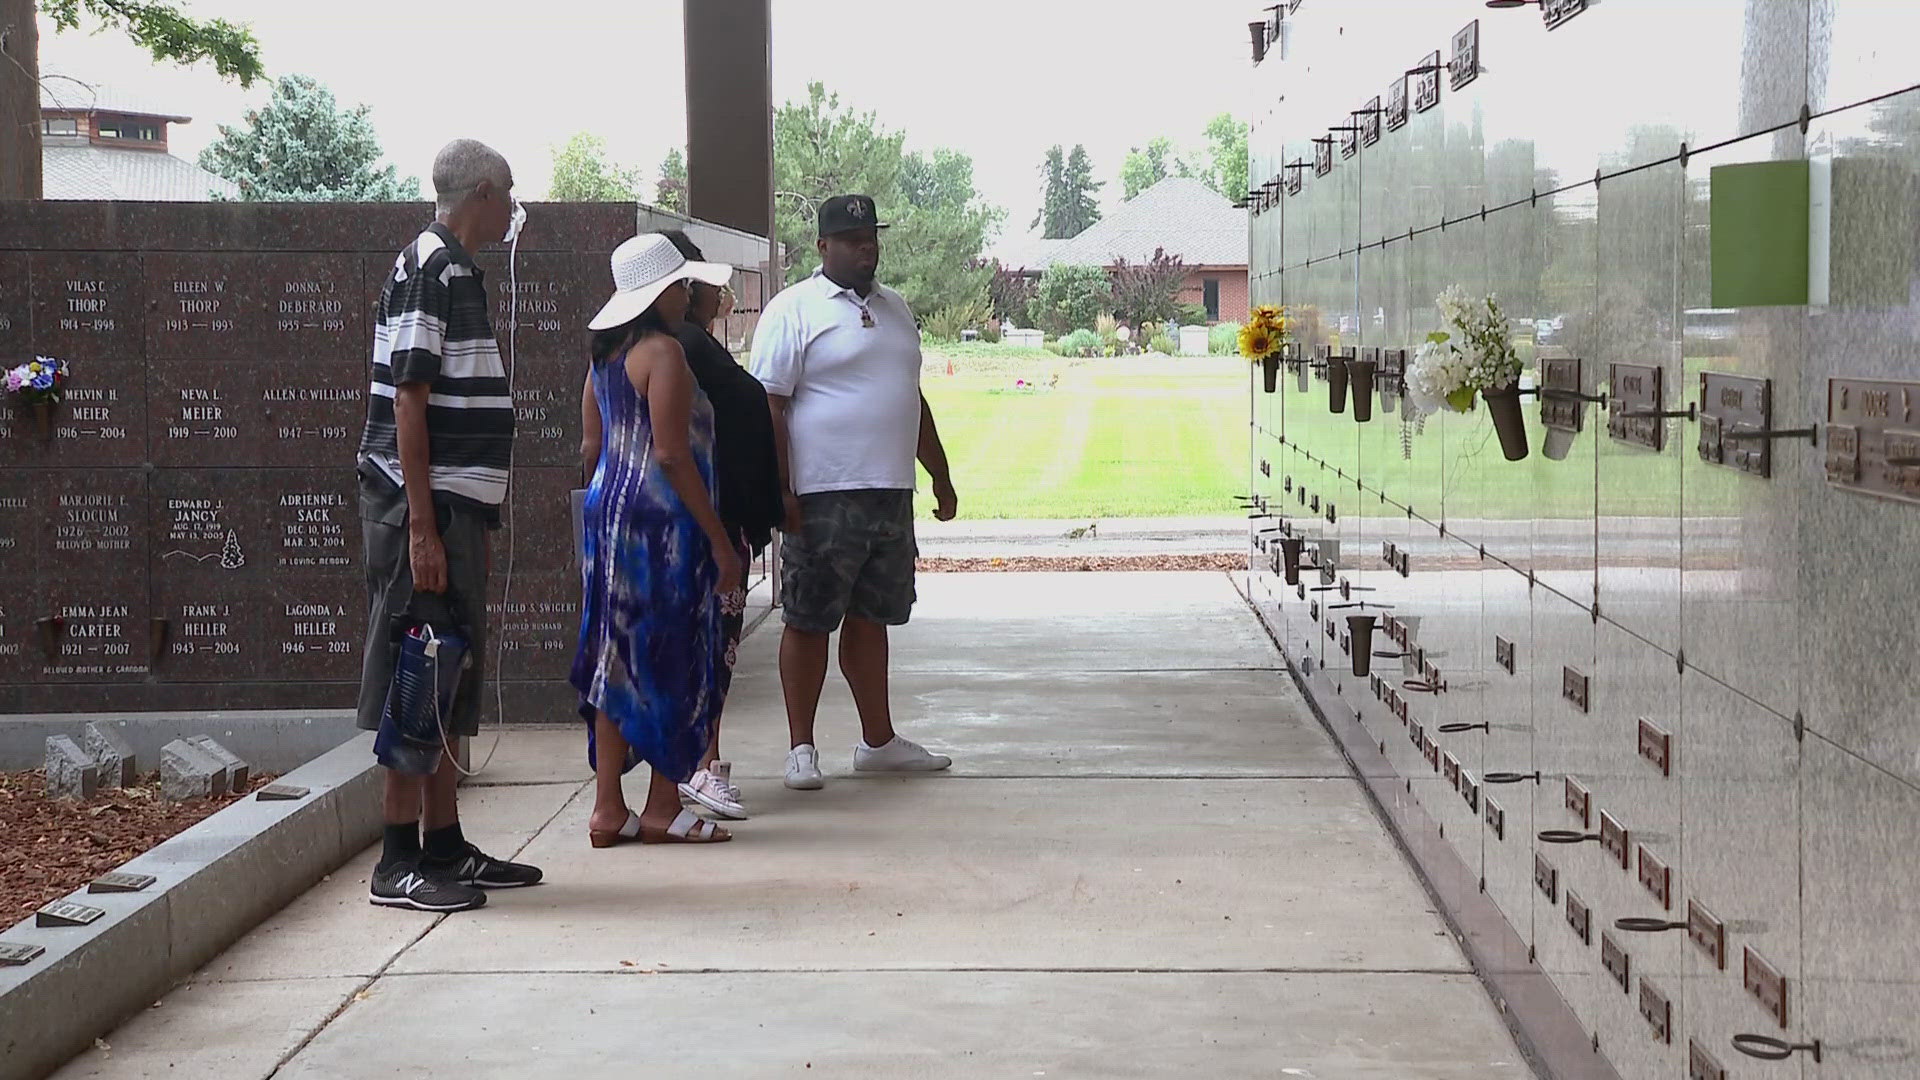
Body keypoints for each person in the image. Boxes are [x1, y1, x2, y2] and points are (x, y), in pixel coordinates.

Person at [356, 139, 542, 912]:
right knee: (419, 663)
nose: (511, 213)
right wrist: (424, 529)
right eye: (509, 197)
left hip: (450, 504)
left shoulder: (446, 266)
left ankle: (444, 844)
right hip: (420, 507)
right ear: (484, 193)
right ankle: (397, 858)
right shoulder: (435, 267)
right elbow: (408, 397)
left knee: (445, 669)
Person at [748, 194, 960, 791]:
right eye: (851, 238)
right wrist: (781, 490)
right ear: (823, 247)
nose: (866, 246)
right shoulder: (794, 310)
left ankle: (878, 742)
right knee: (809, 619)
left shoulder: (897, 310)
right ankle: (801, 750)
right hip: (821, 494)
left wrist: (938, 473)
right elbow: (771, 405)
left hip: (890, 491)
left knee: (873, 617)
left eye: (870, 236)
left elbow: (910, 398)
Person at [573, 232, 742, 847]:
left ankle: (606, 809)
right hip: (662, 527)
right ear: (661, 291)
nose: (688, 292)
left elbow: (592, 447)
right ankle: (663, 807)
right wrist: (719, 542)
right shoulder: (664, 353)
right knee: (670, 657)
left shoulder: (604, 358)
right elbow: (672, 454)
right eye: (682, 283)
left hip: (608, 518)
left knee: (613, 662)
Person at [661, 230, 784, 822]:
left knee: (701, 644)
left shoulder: (668, 344)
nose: (715, 293)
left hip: (696, 516)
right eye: (704, 282)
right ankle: (702, 764)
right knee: (712, 644)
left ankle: (695, 764)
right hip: (709, 518)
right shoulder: (681, 344)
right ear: (681, 287)